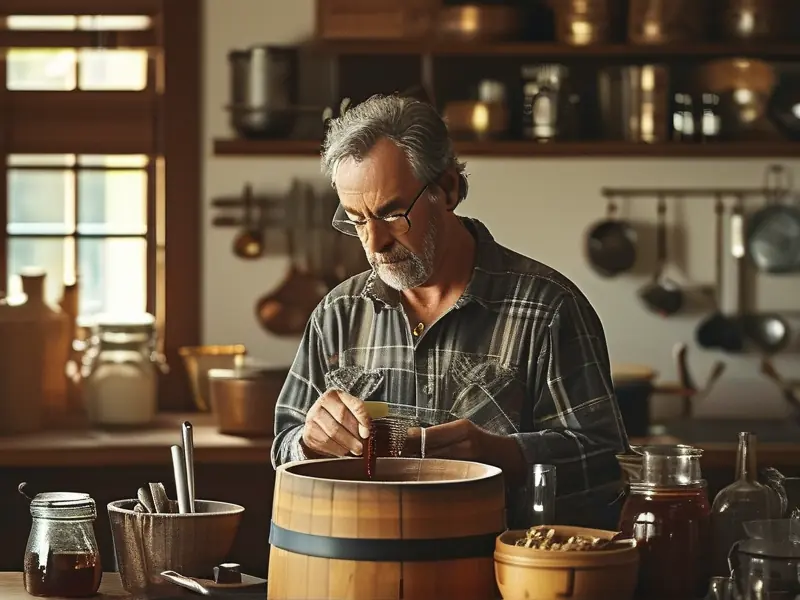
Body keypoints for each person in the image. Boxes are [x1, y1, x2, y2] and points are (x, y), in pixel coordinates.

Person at [271, 93, 629, 528]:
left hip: (497, 576)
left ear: (449, 189)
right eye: (357, 219)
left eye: (392, 214)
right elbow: (283, 447)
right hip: (358, 567)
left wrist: (503, 455)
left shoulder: (549, 309)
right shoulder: (338, 314)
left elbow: (608, 463)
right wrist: (308, 443)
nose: (374, 243)